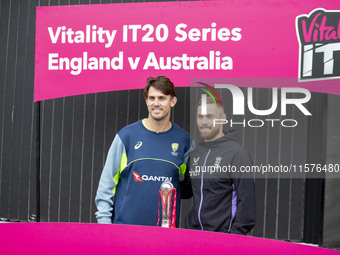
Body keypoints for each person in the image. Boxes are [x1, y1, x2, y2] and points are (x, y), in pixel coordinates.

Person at [95, 76, 191, 227]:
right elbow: (105, 187)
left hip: (165, 236)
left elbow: (186, 186)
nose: (156, 103)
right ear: (146, 101)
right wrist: (105, 226)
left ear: (173, 101)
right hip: (124, 232)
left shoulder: (184, 141)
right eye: (151, 98)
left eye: (162, 98)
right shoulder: (126, 136)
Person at [185, 96, 256, 234]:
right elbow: (187, 190)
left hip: (222, 239)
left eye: (209, 116)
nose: (204, 122)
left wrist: (232, 239)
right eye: (200, 116)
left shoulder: (237, 154)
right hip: (193, 236)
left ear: (223, 118)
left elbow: (247, 205)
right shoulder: (196, 155)